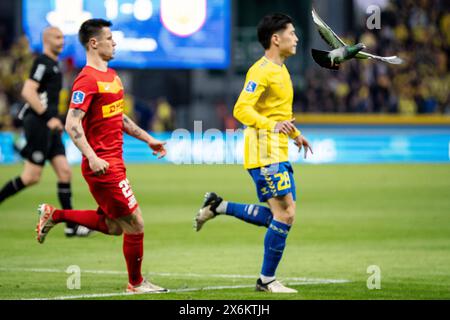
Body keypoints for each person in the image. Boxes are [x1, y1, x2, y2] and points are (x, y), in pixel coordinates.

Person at [35, 19, 169, 293]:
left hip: (115, 162)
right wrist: (92, 157)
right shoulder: (86, 79)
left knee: (114, 225)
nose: (114, 42)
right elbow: (72, 124)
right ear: (94, 43)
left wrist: (148, 139)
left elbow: (119, 117)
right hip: (103, 165)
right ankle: (136, 283)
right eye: (109, 38)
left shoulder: (112, 76)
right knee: (136, 223)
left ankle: (55, 214)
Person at [194, 14, 313, 293]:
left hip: (278, 151)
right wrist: (273, 126)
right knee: (285, 215)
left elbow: (280, 114)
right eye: (291, 33)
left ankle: (218, 206)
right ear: (276, 38)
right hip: (263, 153)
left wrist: (296, 135)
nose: (296, 38)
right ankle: (266, 280)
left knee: (281, 216)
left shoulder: (281, 69)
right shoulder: (261, 71)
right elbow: (240, 109)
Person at [0, 26, 90, 237]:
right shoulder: (42, 62)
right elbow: (27, 91)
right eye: (57, 37)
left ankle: (70, 225)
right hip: (39, 124)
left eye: (62, 37)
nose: (62, 41)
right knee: (31, 176)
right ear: (47, 40)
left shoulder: (54, 65)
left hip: (51, 125)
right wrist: (49, 118)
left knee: (65, 172)